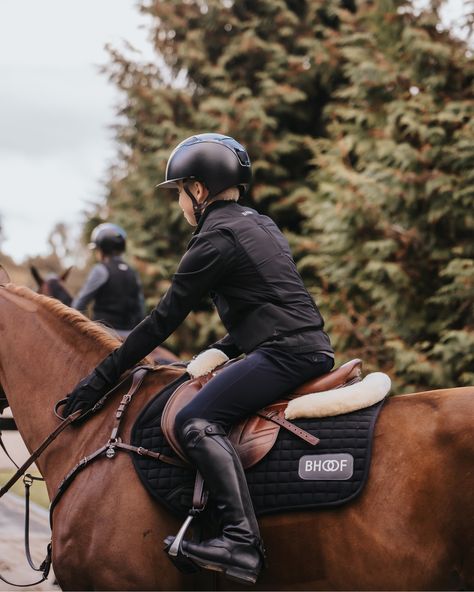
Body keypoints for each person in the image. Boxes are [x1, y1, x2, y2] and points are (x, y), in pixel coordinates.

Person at [62, 133, 334, 585]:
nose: (180, 204)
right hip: (306, 346)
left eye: (179, 193)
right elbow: (274, 306)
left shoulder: (213, 239)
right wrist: (224, 349)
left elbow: (159, 322)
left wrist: (98, 381)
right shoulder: (260, 224)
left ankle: (240, 542)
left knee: (196, 420)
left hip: (285, 354)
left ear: (199, 190)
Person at [72, 223, 145, 337]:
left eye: (97, 249)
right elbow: (140, 310)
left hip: (105, 336)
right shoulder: (132, 273)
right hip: (130, 338)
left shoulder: (100, 270)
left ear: (103, 248)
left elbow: (79, 305)